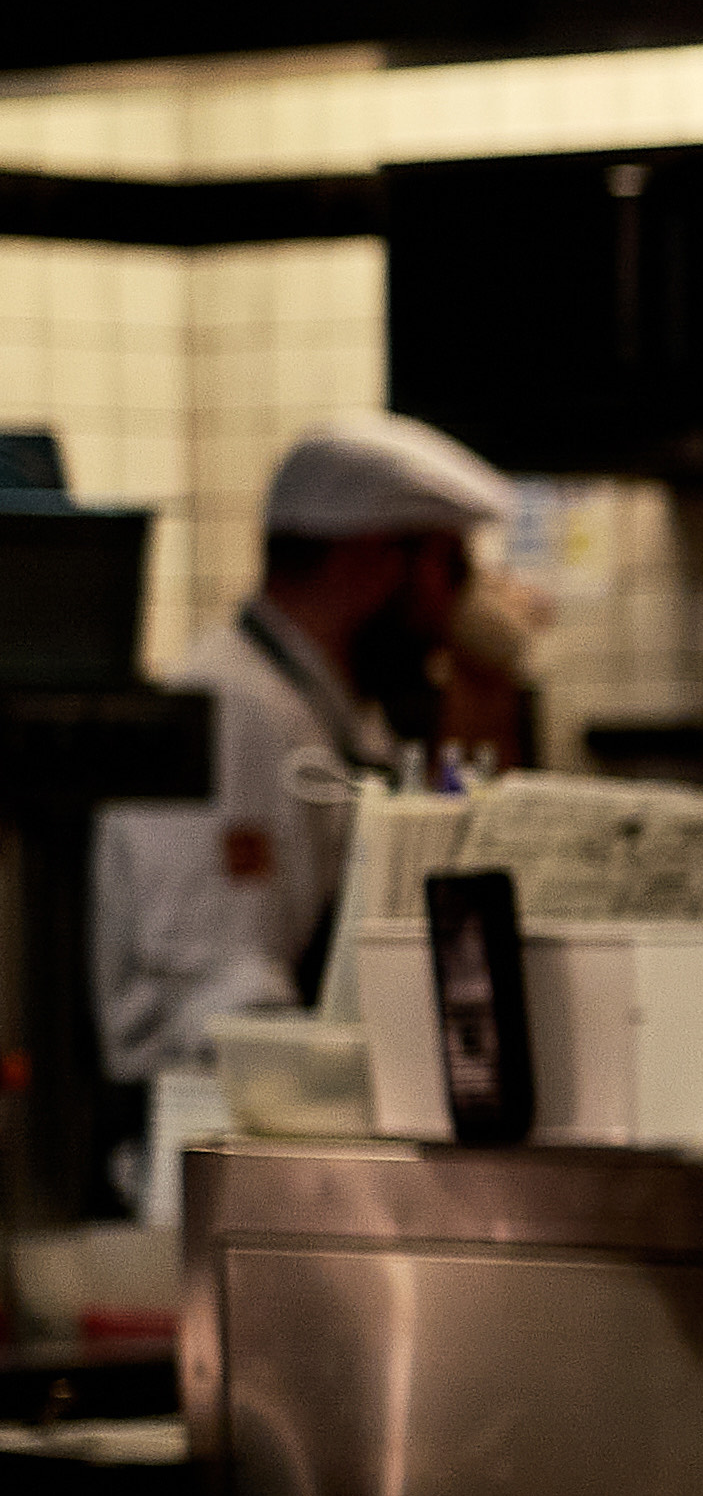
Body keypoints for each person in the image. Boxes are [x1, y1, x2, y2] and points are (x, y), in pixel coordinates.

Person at [94, 410, 519, 1082]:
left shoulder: (333, 713)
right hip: (200, 1124)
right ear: (375, 560)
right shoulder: (229, 711)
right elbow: (223, 1011)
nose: (454, 609)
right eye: (453, 569)